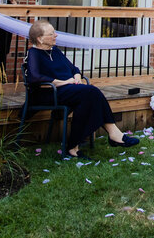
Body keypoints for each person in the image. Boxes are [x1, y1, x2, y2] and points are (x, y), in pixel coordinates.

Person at [25, 20, 139, 159]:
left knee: (87, 99)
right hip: (49, 93)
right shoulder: (34, 54)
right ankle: (113, 134)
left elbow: (74, 69)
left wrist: (77, 76)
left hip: (69, 90)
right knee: (91, 92)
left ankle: (74, 147)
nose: (56, 35)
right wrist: (65, 81)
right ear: (40, 38)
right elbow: (35, 78)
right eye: (52, 33)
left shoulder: (55, 51)